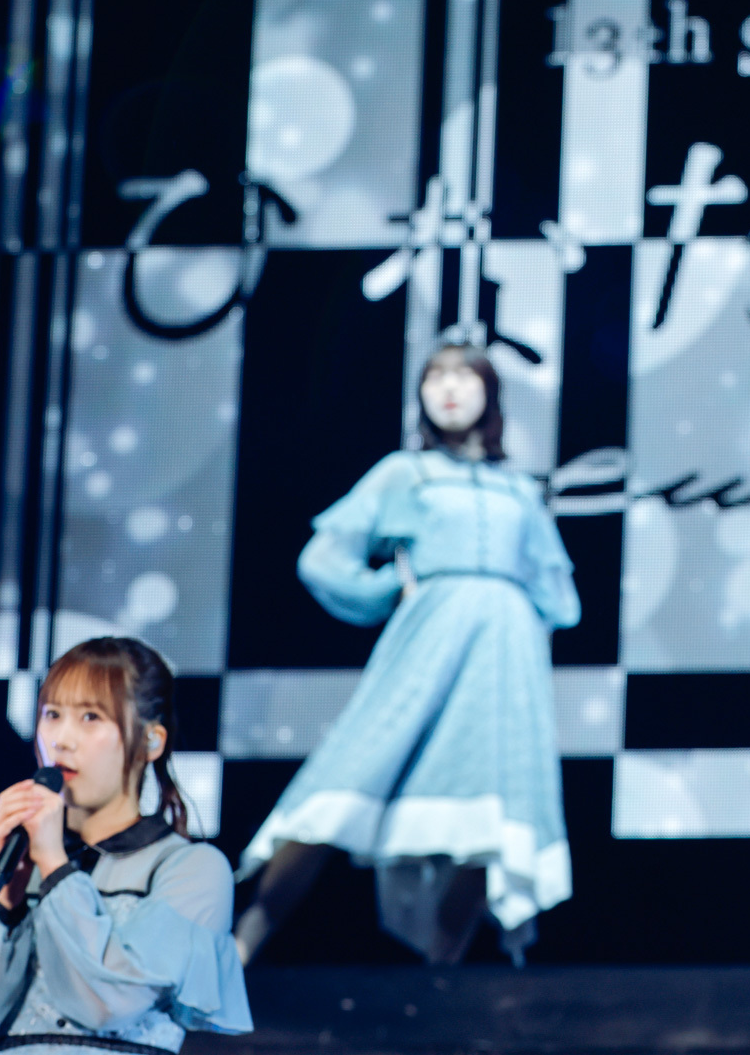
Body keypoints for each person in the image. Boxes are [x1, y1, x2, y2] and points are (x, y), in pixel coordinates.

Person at [234, 343, 581, 966]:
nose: (449, 389)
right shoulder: (404, 473)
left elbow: (561, 595)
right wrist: (386, 589)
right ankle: (243, 943)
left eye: (463, 376)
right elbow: (322, 558)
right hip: (431, 637)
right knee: (347, 775)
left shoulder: (518, 489)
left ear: (488, 392)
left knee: (489, 812)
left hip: (504, 656)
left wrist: (519, 612)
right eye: (435, 377)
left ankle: (439, 973)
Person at [0, 637, 252, 1053]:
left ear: (151, 741)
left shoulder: (190, 868)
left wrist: (55, 866)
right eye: (52, 714)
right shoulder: (7, 861)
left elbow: (109, 1004)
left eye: (90, 717)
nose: (61, 739)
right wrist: (5, 898)